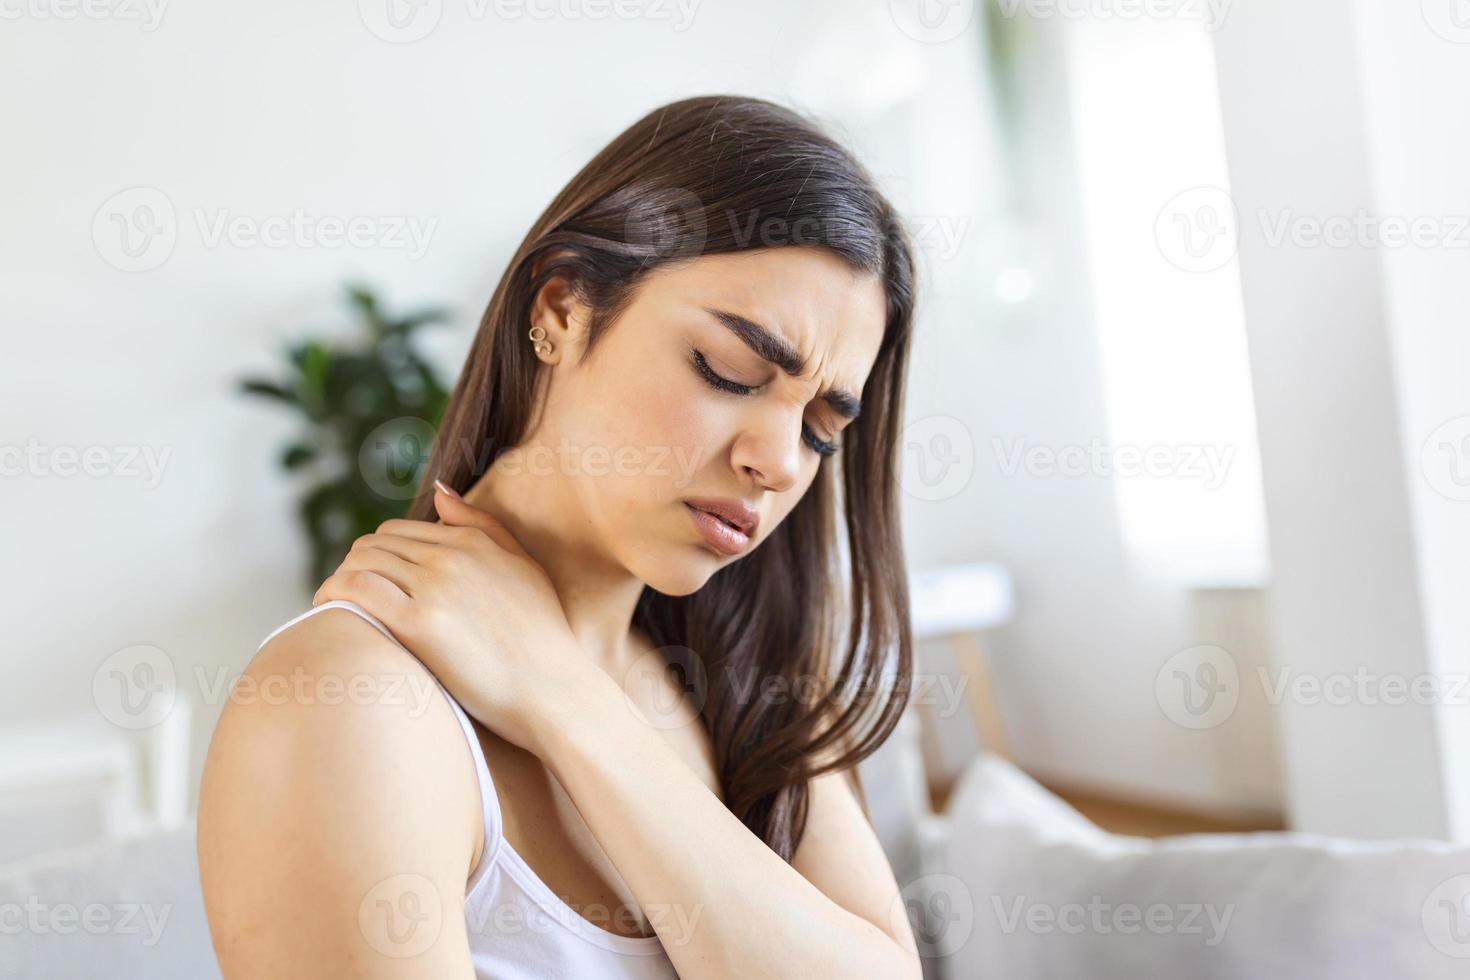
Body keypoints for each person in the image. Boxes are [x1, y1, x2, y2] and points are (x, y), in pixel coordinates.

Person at [198, 93, 921, 979]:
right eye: (729, 371)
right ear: (561, 309)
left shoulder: (744, 676)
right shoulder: (351, 700)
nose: (777, 463)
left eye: (819, 429)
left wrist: (562, 696)